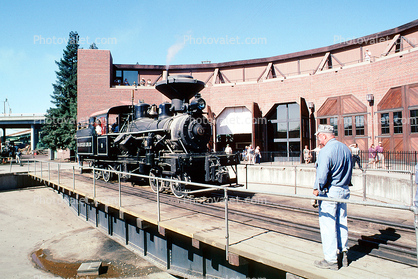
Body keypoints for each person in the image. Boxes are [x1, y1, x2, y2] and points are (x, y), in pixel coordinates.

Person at [313, 124, 352, 270]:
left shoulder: (325, 150)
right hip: (344, 190)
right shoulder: (345, 148)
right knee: (342, 222)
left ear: (323, 135)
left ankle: (330, 260)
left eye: (319, 137)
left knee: (328, 225)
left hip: (330, 192)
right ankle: (343, 254)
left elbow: (322, 174)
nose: (319, 140)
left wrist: (317, 190)